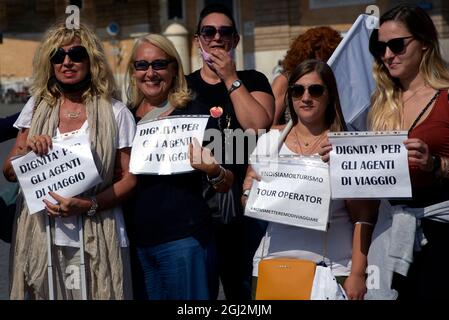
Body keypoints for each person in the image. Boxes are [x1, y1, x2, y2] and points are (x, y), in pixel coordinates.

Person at [2, 22, 136, 300]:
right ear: (49, 63)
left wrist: (88, 205)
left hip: (98, 230)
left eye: (76, 54)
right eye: (57, 56)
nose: (67, 62)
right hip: (42, 235)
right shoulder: (37, 105)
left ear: (92, 60)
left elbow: (128, 178)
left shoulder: (116, 112)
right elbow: (9, 169)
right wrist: (27, 153)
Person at [245, 59, 376, 300]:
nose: (305, 97)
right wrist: (248, 192)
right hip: (273, 267)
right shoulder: (269, 142)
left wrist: (357, 273)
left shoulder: (347, 146)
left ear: (330, 96)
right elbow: (249, 200)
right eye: (297, 90)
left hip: (331, 269)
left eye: (315, 90)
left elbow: (363, 218)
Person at [124, 33, 234, 300]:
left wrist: (212, 170)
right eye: (142, 65)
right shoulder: (122, 117)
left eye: (159, 64)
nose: (150, 73)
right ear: (133, 72)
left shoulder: (196, 115)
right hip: (133, 244)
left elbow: (226, 181)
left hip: (184, 241)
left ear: (174, 69)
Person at [186, 3, 275, 300]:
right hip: (199, 209)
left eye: (225, 32)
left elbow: (258, 125)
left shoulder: (253, 80)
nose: (216, 38)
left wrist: (229, 78)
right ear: (198, 39)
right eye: (208, 32)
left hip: (245, 209)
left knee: (243, 291)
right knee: (202, 292)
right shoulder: (184, 87)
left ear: (235, 40)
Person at [361, 4, 449, 299]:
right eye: (380, 47)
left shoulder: (447, 96)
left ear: (424, 42)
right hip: (389, 230)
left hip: (440, 233)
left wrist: (435, 164)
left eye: (397, 45)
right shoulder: (379, 103)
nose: (387, 55)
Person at [272, 27, 342, 125]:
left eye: (328, 58)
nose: (320, 65)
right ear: (303, 55)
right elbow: (268, 125)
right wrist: (299, 132)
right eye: (298, 90)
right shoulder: (285, 80)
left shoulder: (337, 80)